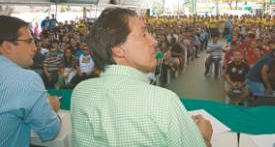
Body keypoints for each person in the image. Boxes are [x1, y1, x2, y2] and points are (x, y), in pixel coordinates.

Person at [71, 8, 212, 147]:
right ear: (118, 49)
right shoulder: (163, 101)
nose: (154, 41)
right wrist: (204, 138)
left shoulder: (80, 92)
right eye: (143, 34)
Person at [0, 16, 61, 147]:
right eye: (29, 41)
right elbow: (50, 131)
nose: (35, 48)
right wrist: (52, 108)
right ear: (7, 46)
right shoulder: (26, 80)